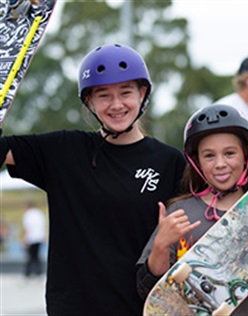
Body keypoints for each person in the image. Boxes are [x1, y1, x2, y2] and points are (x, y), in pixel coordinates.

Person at [0, 44, 186, 315]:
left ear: (142, 93)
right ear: (89, 101)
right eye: (104, 95)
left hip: (140, 308)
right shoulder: (63, 151)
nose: (116, 104)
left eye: (126, 92)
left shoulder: (170, 162)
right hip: (73, 308)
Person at [137, 104, 248, 315]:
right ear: (197, 162)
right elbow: (150, 293)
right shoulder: (180, 212)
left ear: (246, 156)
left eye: (230, 153)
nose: (220, 164)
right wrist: (160, 245)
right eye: (209, 156)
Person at [22, 201, 46, 278]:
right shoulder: (39, 214)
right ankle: (38, 272)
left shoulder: (28, 215)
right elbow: (43, 225)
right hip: (39, 237)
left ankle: (28, 273)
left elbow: (27, 227)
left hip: (31, 237)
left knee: (30, 256)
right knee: (37, 256)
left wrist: (24, 238)